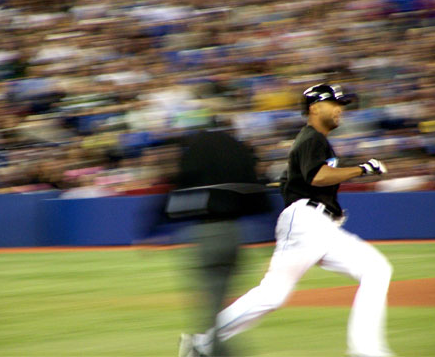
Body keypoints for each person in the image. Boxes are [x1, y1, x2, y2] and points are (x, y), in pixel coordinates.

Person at [179, 84, 394, 357]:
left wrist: (289, 181)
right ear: (315, 108)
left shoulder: (312, 141)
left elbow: (301, 179)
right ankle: (202, 342)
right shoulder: (312, 138)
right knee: (278, 293)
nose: (340, 109)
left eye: (342, 104)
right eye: (335, 104)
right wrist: (363, 169)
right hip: (308, 221)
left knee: (372, 270)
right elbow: (318, 176)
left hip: (317, 224)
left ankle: (202, 344)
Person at [168, 124, 268, 357]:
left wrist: (156, 226)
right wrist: (271, 237)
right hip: (234, 233)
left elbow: (178, 192)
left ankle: (199, 346)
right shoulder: (237, 151)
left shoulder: (195, 152)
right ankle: (203, 346)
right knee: (221, 304)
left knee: (214, 305)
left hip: (205, 233)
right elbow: (256, 193)